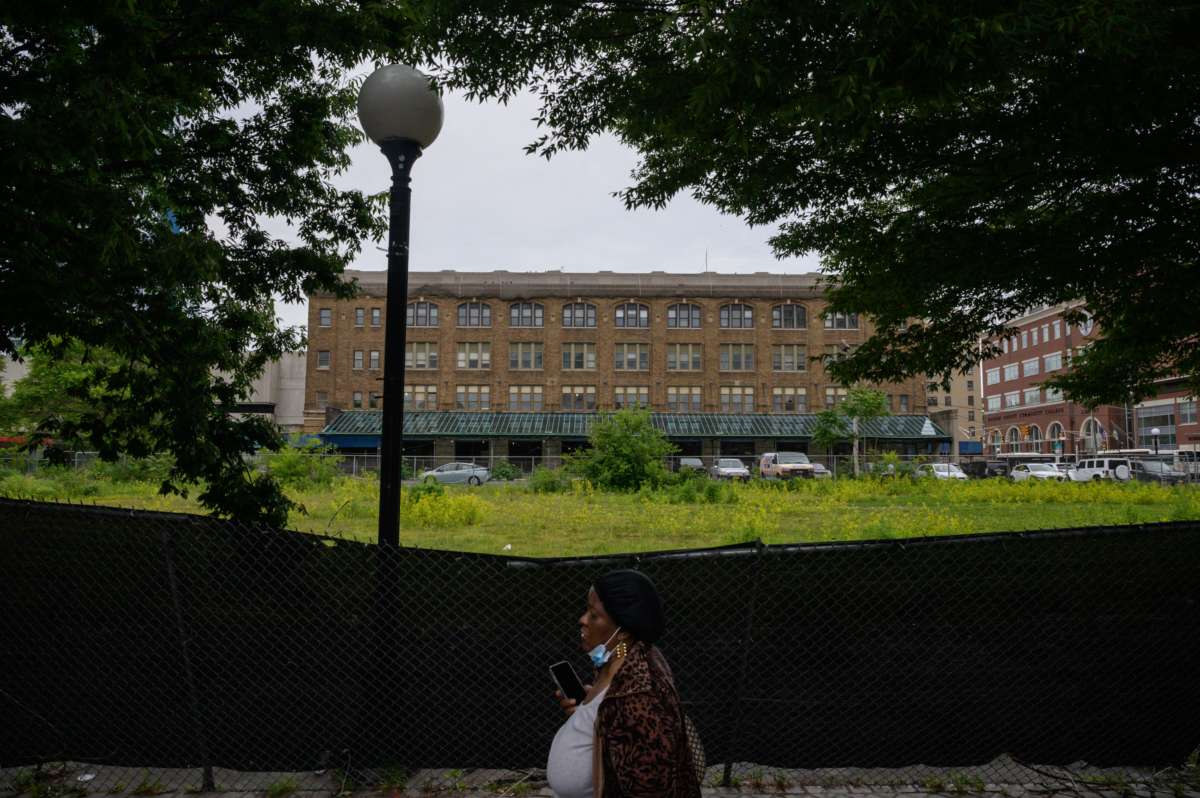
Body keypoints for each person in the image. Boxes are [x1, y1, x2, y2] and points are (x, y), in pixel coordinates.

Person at [546, 569, 702, 798]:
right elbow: (612, 714)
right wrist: (587, 710)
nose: (582, 620)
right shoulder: (618, 655)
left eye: (593, 615)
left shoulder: (640, 699)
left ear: (622, 631)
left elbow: (650, 788)